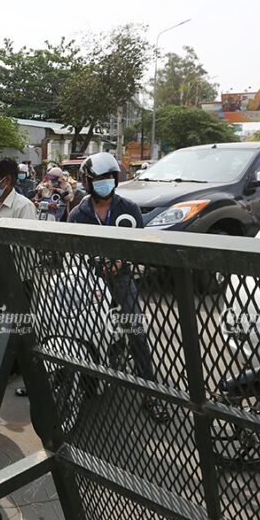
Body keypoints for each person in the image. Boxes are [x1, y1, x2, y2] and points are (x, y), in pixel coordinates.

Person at [67, 152, 171, 424]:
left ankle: (151, 393)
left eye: (108, 178)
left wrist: (121, 260)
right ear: (87, 182)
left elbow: (140, 245)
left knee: (135, 329)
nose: (104, 183)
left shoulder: (129, 209)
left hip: (121, 280)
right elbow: (70, 249)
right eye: (98, 179)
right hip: (88, 282)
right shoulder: (78, 213)